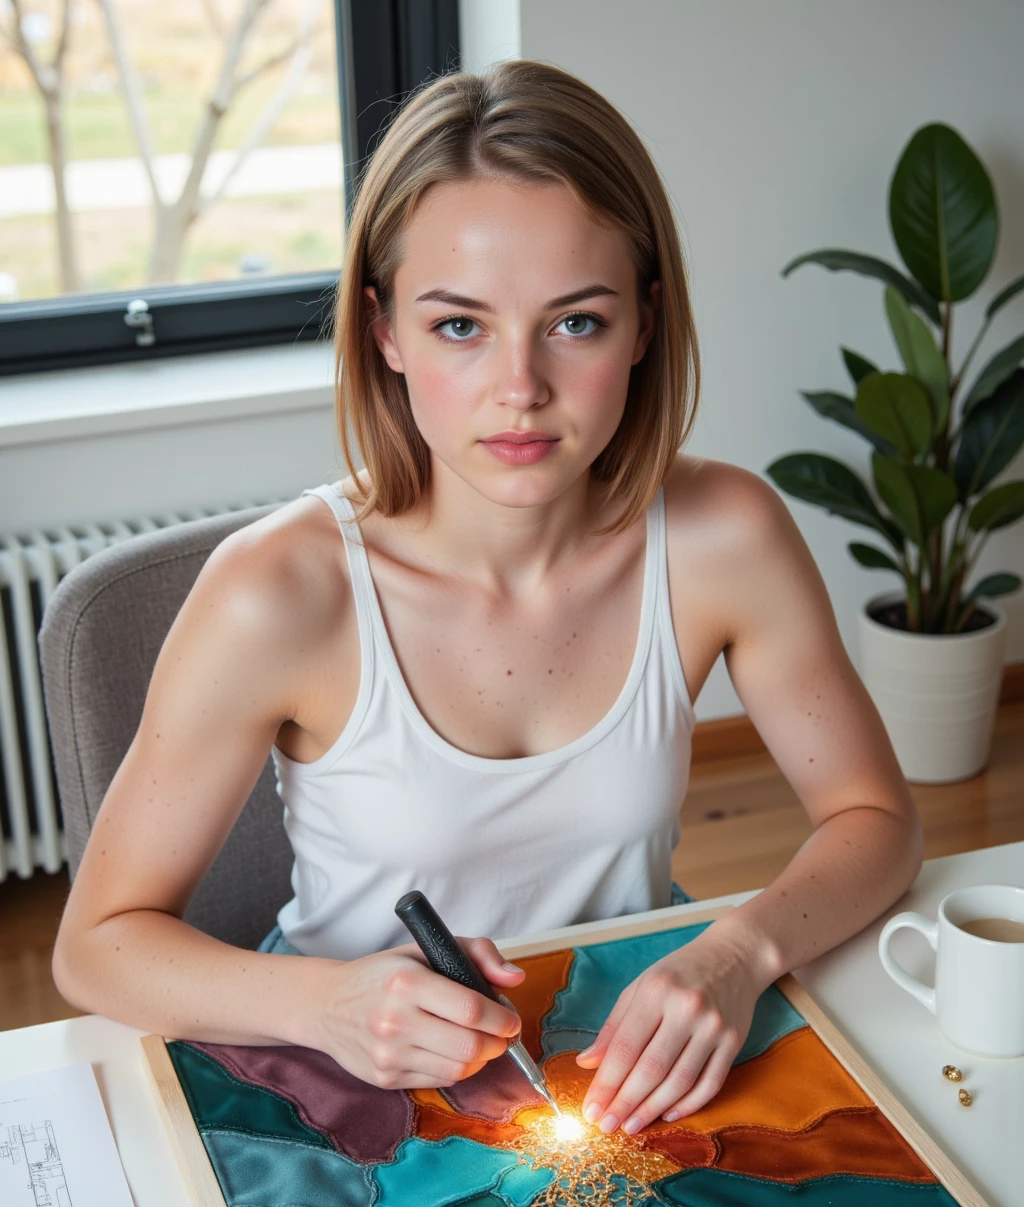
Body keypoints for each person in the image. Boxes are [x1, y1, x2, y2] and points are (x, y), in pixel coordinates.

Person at [52, 60, 922, 1136]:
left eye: (575, 323)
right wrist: (329, 1003)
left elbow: (877, 821)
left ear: (645, 324)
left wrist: (737, 954)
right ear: (384, 333)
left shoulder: (723, 535)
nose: (521, 388)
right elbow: (95, 945)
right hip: (342, 1069)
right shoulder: (275, 592)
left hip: (621, 1058)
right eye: (460, 325)